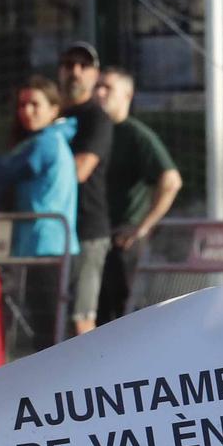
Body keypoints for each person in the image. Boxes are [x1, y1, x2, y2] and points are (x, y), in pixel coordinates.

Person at [0, 76, 79, 350]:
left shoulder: (45, 143)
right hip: (44, 246)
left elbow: (3, 172)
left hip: (46, 248)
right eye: (23, 105)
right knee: (47, 329)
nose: (27, 111)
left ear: (54, 109)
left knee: (49, 333)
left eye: (35, 104)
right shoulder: (49, 141)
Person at [94, 67, 182, 323]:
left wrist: (142, 227)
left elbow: (171, 181)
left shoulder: (136, 135)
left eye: (107, 88)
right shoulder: (94, 133)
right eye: (97, 86)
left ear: (127, 95)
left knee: (127, 316)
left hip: (123, 241)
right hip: (95, 238)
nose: (100, 93)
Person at [55, 40, 113, 336]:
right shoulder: (47, 114)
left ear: (95, 74)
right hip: (49, 234)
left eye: (83, 66)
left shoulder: (97, 118)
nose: (75, 72)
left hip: (86, 232)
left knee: (81, 321)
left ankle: (92, 381)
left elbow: (80, 171)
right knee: (51, 320)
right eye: (68, 64)